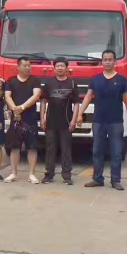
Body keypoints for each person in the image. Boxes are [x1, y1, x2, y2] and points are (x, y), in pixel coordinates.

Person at [77, 49, 127, 190]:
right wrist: (79, 114)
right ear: (102, 62)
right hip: (99, 121)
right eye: (105, 59)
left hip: (116, 121)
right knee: (97, 151)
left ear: (115, 62)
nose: (107, 62)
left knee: (116, 152)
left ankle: (116, 180)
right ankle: (97, 179)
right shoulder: (95, 79)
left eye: (110, 59)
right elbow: (88, 97)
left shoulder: (121, 80)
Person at [40, 57, 80, 185]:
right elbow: (43, 101)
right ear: (54, 68)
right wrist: (42, 117)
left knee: (66, 149)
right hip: (51, 121)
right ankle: (49, 174)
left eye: (62, 66)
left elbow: (76, 104)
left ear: (67, 68)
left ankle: (67, 175)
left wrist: (74, 120)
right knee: (50, 149)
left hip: (66, 121)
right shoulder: (48, 83)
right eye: (58, 66)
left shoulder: (72, 83)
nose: (60, 68)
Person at [4, 56, 42, 183]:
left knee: (32, 147)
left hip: (30, 119)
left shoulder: (35, 81)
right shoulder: (11, 81)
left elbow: (36, 96)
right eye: (25, 66)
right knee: (14, 147)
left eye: (29, 66)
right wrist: (15, 109)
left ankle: (32, 174)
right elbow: (7, 96)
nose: (27, 68)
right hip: (16, 119)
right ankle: (13, 173)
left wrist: (22, 107)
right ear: (18, 67)